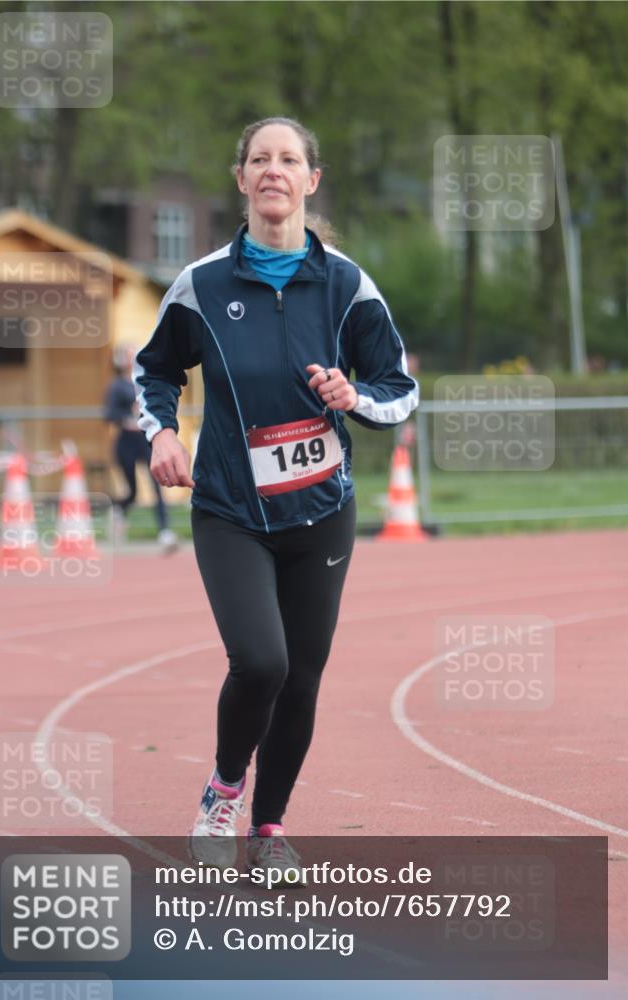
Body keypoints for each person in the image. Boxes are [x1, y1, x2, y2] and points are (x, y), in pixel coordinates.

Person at [133, 116, 418, 880]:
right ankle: (225, 789)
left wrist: (352, 394)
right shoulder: (203, 284)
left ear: (310, 181)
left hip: (321, 509)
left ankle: (268, 828)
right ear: (240, 179)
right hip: (229, 508)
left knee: (303, 673)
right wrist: (160, 433)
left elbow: (399, 391)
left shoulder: (347, 284)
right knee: (260, 660)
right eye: (259, 159)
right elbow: (153, 369)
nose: (273, 170)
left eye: (288, 159)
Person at [103, 344, 179, 554]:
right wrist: (127, 419)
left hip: (146, 440)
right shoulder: (117, 385)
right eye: (128, 355)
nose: (133, 358)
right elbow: (109, 414)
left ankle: (165, 532)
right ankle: (118, 511)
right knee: (133, 491)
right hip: (126, 442)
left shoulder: (143, 380)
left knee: (157, 486)